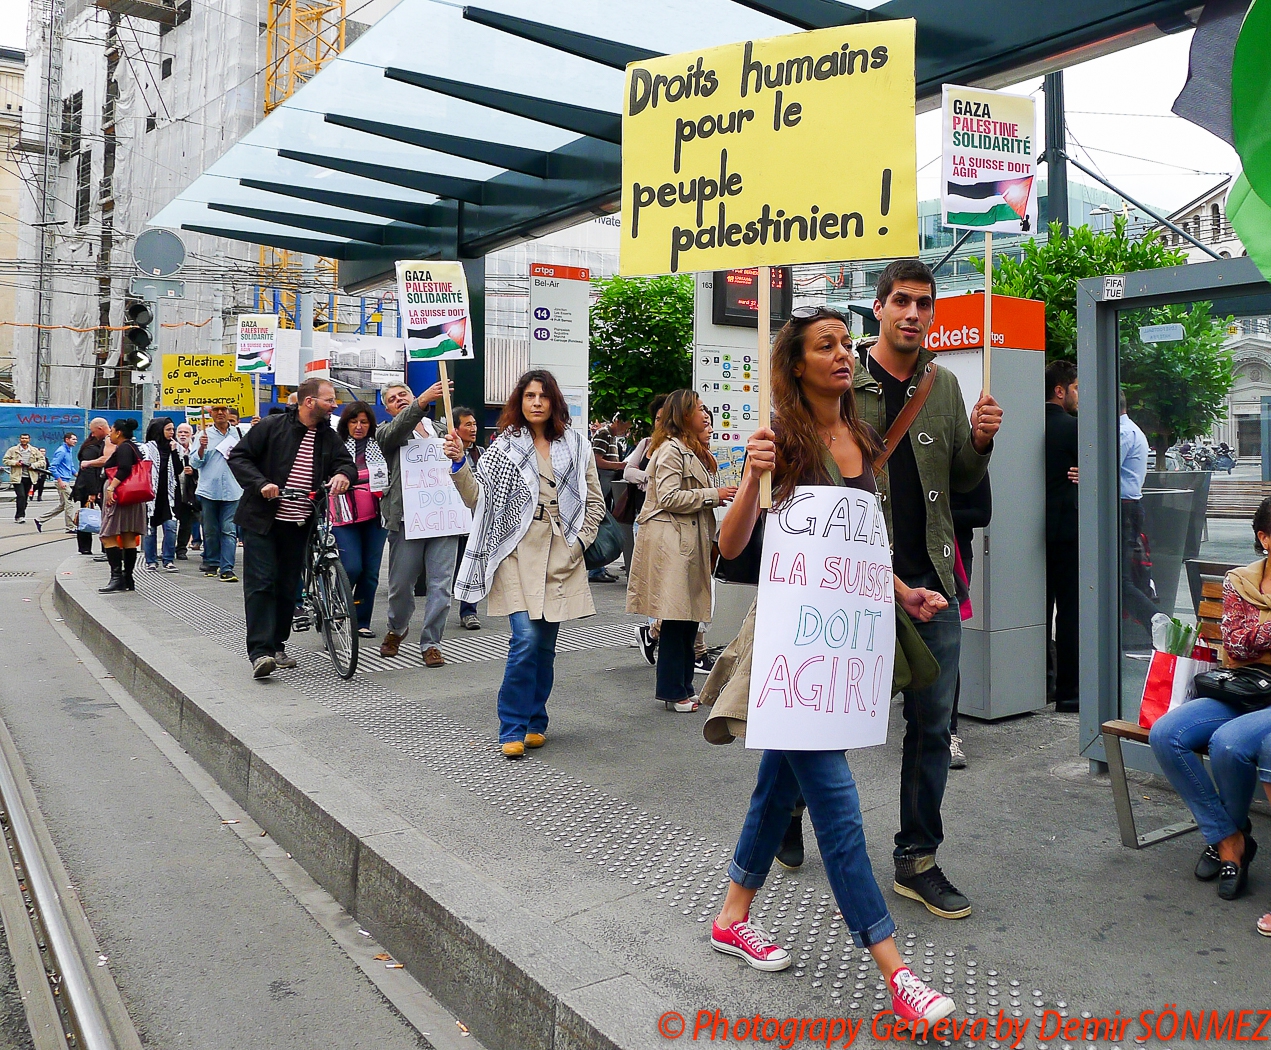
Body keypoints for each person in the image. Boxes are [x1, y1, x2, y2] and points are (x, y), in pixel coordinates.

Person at [701, 306, 955, 1024]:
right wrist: (751, 481)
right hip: (791, 647)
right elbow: (729, 546)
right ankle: (896, 976)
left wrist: (904, 590)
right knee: (837, 805)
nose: (844, 355)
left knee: (777, 787)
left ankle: (730, 916)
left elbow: (856, 548)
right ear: (796, 362)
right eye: (826, 346)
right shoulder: (778, 439)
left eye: (846, 343)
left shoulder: (861, 436)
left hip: (844, 643)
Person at [849, 259, 1001, 920]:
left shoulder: (942, 385)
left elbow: (961, 480)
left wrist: (978, 440)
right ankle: (787, 812)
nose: (913, 314)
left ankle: (917, 858)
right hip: (853, 580)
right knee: (829, 720)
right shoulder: (840, 381)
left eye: (924, 304)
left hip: (931, 580)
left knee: (931, 726)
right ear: (878, 308)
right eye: (902, 302)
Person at [445, 370, 606, 758]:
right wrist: (459, 463)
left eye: (543, 396)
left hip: (561, 551)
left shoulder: (577, 445)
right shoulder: (504, 447)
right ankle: (512, 725)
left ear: (554, 402)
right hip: (515, 549)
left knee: (545, 646)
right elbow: (476, 500)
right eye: (529, 395)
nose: (536, 402)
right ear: (519, 401)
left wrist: (578, 545)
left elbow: (595, 503)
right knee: (526, 640)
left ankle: (536, 720)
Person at [1150, 497, 1271, 924]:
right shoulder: (1241, 580)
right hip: (1240, 687)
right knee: (1167, 734)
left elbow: (1246, 637)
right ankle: (1229, 835)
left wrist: (1258, 633)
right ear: (1264, 538)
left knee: (1227, 744)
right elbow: (1235, 643)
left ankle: (1228, 844)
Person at [227, 378, 356, 679]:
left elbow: (346, 464)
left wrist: (342, 476)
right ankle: (260, 652)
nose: (334, 405)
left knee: (288, 588)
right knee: (261, 584)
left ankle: (277, 645)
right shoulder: (272, 426)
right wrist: (262, 484)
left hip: (301, 524)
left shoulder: (329, 436)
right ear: (309, 402)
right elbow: (239, 457)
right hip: (263, 520)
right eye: (329, 399)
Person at [626, 391, 735, 712]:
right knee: (677, 617)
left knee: (688, 617)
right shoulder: (671, 451)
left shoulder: (689, 450)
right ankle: (674, 691)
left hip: (687, 541)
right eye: (699, 409)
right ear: (684, 414)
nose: (705, 415)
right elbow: (669, 497)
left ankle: (683, 686)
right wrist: (714, 494)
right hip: (673, 543)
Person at [376, 380, 456, 667]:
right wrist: (420, 401)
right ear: (386, 407)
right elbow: (396, 431)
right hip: (407, 519)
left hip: (444, 518)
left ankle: (432, 643)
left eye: (403, 395)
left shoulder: (444, 431)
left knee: (441, 585)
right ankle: (397, 627)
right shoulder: (386, 432)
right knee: (400, 585)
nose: (399, 400)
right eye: (392, 398)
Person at [332, 401, 389, 638]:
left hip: (376, 517)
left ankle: (361, 619)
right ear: (346, 423)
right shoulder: (336, 446)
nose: (359, 426)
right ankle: (336, 606)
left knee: (370, 572)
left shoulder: (380, 446)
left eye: (364, 422)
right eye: (354, 421)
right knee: (352, 567)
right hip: (344, 517)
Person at [948, 474, 991, 768]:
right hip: (908, 553)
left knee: (947, 644)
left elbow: (982, 513)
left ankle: (948, 733)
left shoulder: (968, 457)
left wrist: (934, 513)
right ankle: (923, 726)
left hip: (955, 555)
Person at [1045, 361, 1080, 712]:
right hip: (1068, 530)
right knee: (1069, 612)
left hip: (1030, 529)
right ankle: (1070, 692)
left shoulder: (1030, 424)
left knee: (1038, 609)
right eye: (1075, 388)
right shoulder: (1073, 428)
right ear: (1060, 389)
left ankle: (1041, 682)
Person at [624, 394, 670, 666]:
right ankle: (656, 631)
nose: (660, 423)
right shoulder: (646, 445)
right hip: (644, 519)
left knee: (667, 582)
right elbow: (628, 471)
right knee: (653, 581)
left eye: (665, 418)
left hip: (668, 522)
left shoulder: (680, 447)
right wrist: (649, 479)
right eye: (657, 418)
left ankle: (653, 633)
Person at [189, 404, 246, 583]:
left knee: (229, 530)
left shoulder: (239, 434)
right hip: (209, 491)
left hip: (233, 490)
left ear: (229, 412)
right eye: (216, 410)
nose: (220, 413)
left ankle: (227, 568)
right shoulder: (203, 435)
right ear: (210, 413)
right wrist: (201, 448)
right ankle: (212, 562)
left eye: (224, 409)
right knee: (211, 530)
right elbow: (195, 463)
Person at [1119, 388, 1158, 637]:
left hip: (1123, 508)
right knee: (1124, 576)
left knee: (1121, 579)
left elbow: (1102, 466)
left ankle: (1157, 623)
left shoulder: (1122, 432)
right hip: (1129, 507)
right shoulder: (1132, 429)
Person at [97, 419, 145, 593]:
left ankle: (117, 577)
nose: (109, 434)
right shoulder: (133, 446)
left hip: (120, 497)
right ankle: (128, 578)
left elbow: (124, 468)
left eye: (112, 430)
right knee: (128, 536)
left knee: (107, 535)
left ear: (118, 433)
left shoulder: (124, 447)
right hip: (132, 498)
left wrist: (111, 487)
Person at [451, 407, 483, 630]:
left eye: (474, 424)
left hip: (474, 520)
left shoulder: (481, 452)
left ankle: (469, 611)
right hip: (449, 520)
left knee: (471, 565)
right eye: (467, 425)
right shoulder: (446, 451)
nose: (473, 429)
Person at [589, 411, 631, 582]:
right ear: (618, 422)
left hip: (608, 486)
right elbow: (596, 460)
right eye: (625, 427)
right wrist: (620, 465)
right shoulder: (604, 434)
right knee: (600, 524)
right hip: (601, 485)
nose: (625, 431)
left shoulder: (612, 437)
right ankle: (595, 569)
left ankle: (600, 567)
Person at [141, 418, 181, 572]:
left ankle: (168, 560)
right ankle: (151, 561)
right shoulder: (146, 449)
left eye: (173, 429)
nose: (172, 433)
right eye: (168, 429)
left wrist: (174, 451)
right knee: (150, 529)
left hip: (169, 495)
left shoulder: (174, 448)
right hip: (151, 495)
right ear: (159, 430)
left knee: (171, 527)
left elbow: (178, 470)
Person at [72, 418, 109, 556]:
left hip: (97, 487)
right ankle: (85, 547)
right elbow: (89, 471)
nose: (92, 434)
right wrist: (92, 493)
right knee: (88, 516)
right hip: (90, 488)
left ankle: (104, 547)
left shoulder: (104, 444)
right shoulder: (92, 448)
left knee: (101, 517)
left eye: (93, 431)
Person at [33, 431, 79, 534]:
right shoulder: (61, 451)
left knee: (63, 505)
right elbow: (53, 467)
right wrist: (60, 480)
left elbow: (70, 467)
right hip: (62, 481)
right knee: (70, 504)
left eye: (76, 439)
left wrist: (78, 476)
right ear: (67, 440)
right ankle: (70, 527)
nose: (75, 441)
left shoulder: (69, 450)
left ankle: (40, 519)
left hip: (66, 479)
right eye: (73, 439)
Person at [173, 422, 201, 560]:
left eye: (186, 433)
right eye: (180, 432)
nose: (183, 435)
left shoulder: (195, 450)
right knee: (171, 523)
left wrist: (193, 472)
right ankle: (168, 549)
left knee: (187, 522)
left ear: (191, 435)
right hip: (174, 490)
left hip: (190, 492)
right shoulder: (173, 448)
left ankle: (181, 549)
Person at [4, 434, 46, 524]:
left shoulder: (34, 450)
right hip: (17, 477)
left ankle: (20, 513)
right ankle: (20, 516)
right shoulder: (13, 450)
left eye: (26, 438)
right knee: (21, 496)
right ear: (19, 439)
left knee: (25, 497)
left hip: (29, 477)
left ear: (29, 439)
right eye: (22, 438)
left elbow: (42, 461)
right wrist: (15, 463)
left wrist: (34, 465)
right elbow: (5, 460)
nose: (24, 440)